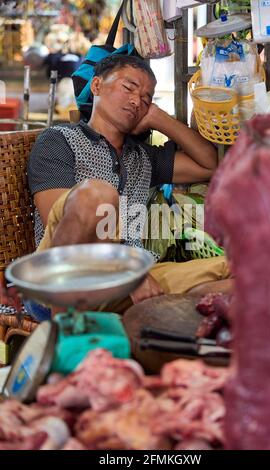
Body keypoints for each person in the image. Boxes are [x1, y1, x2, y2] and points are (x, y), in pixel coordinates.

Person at [27, 55, 230, 320]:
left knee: (242, 272)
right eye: (129, 88)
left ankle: (184, 309)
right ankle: (67, 330)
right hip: (62, 280)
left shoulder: (143, 158)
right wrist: (126, 272)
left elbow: (211, 164)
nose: (137, 101)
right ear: (97, 86)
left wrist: (158, 118)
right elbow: (64, 221)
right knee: (96, 196)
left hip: (133, 283)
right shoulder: (59, 140)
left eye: (146, 99)